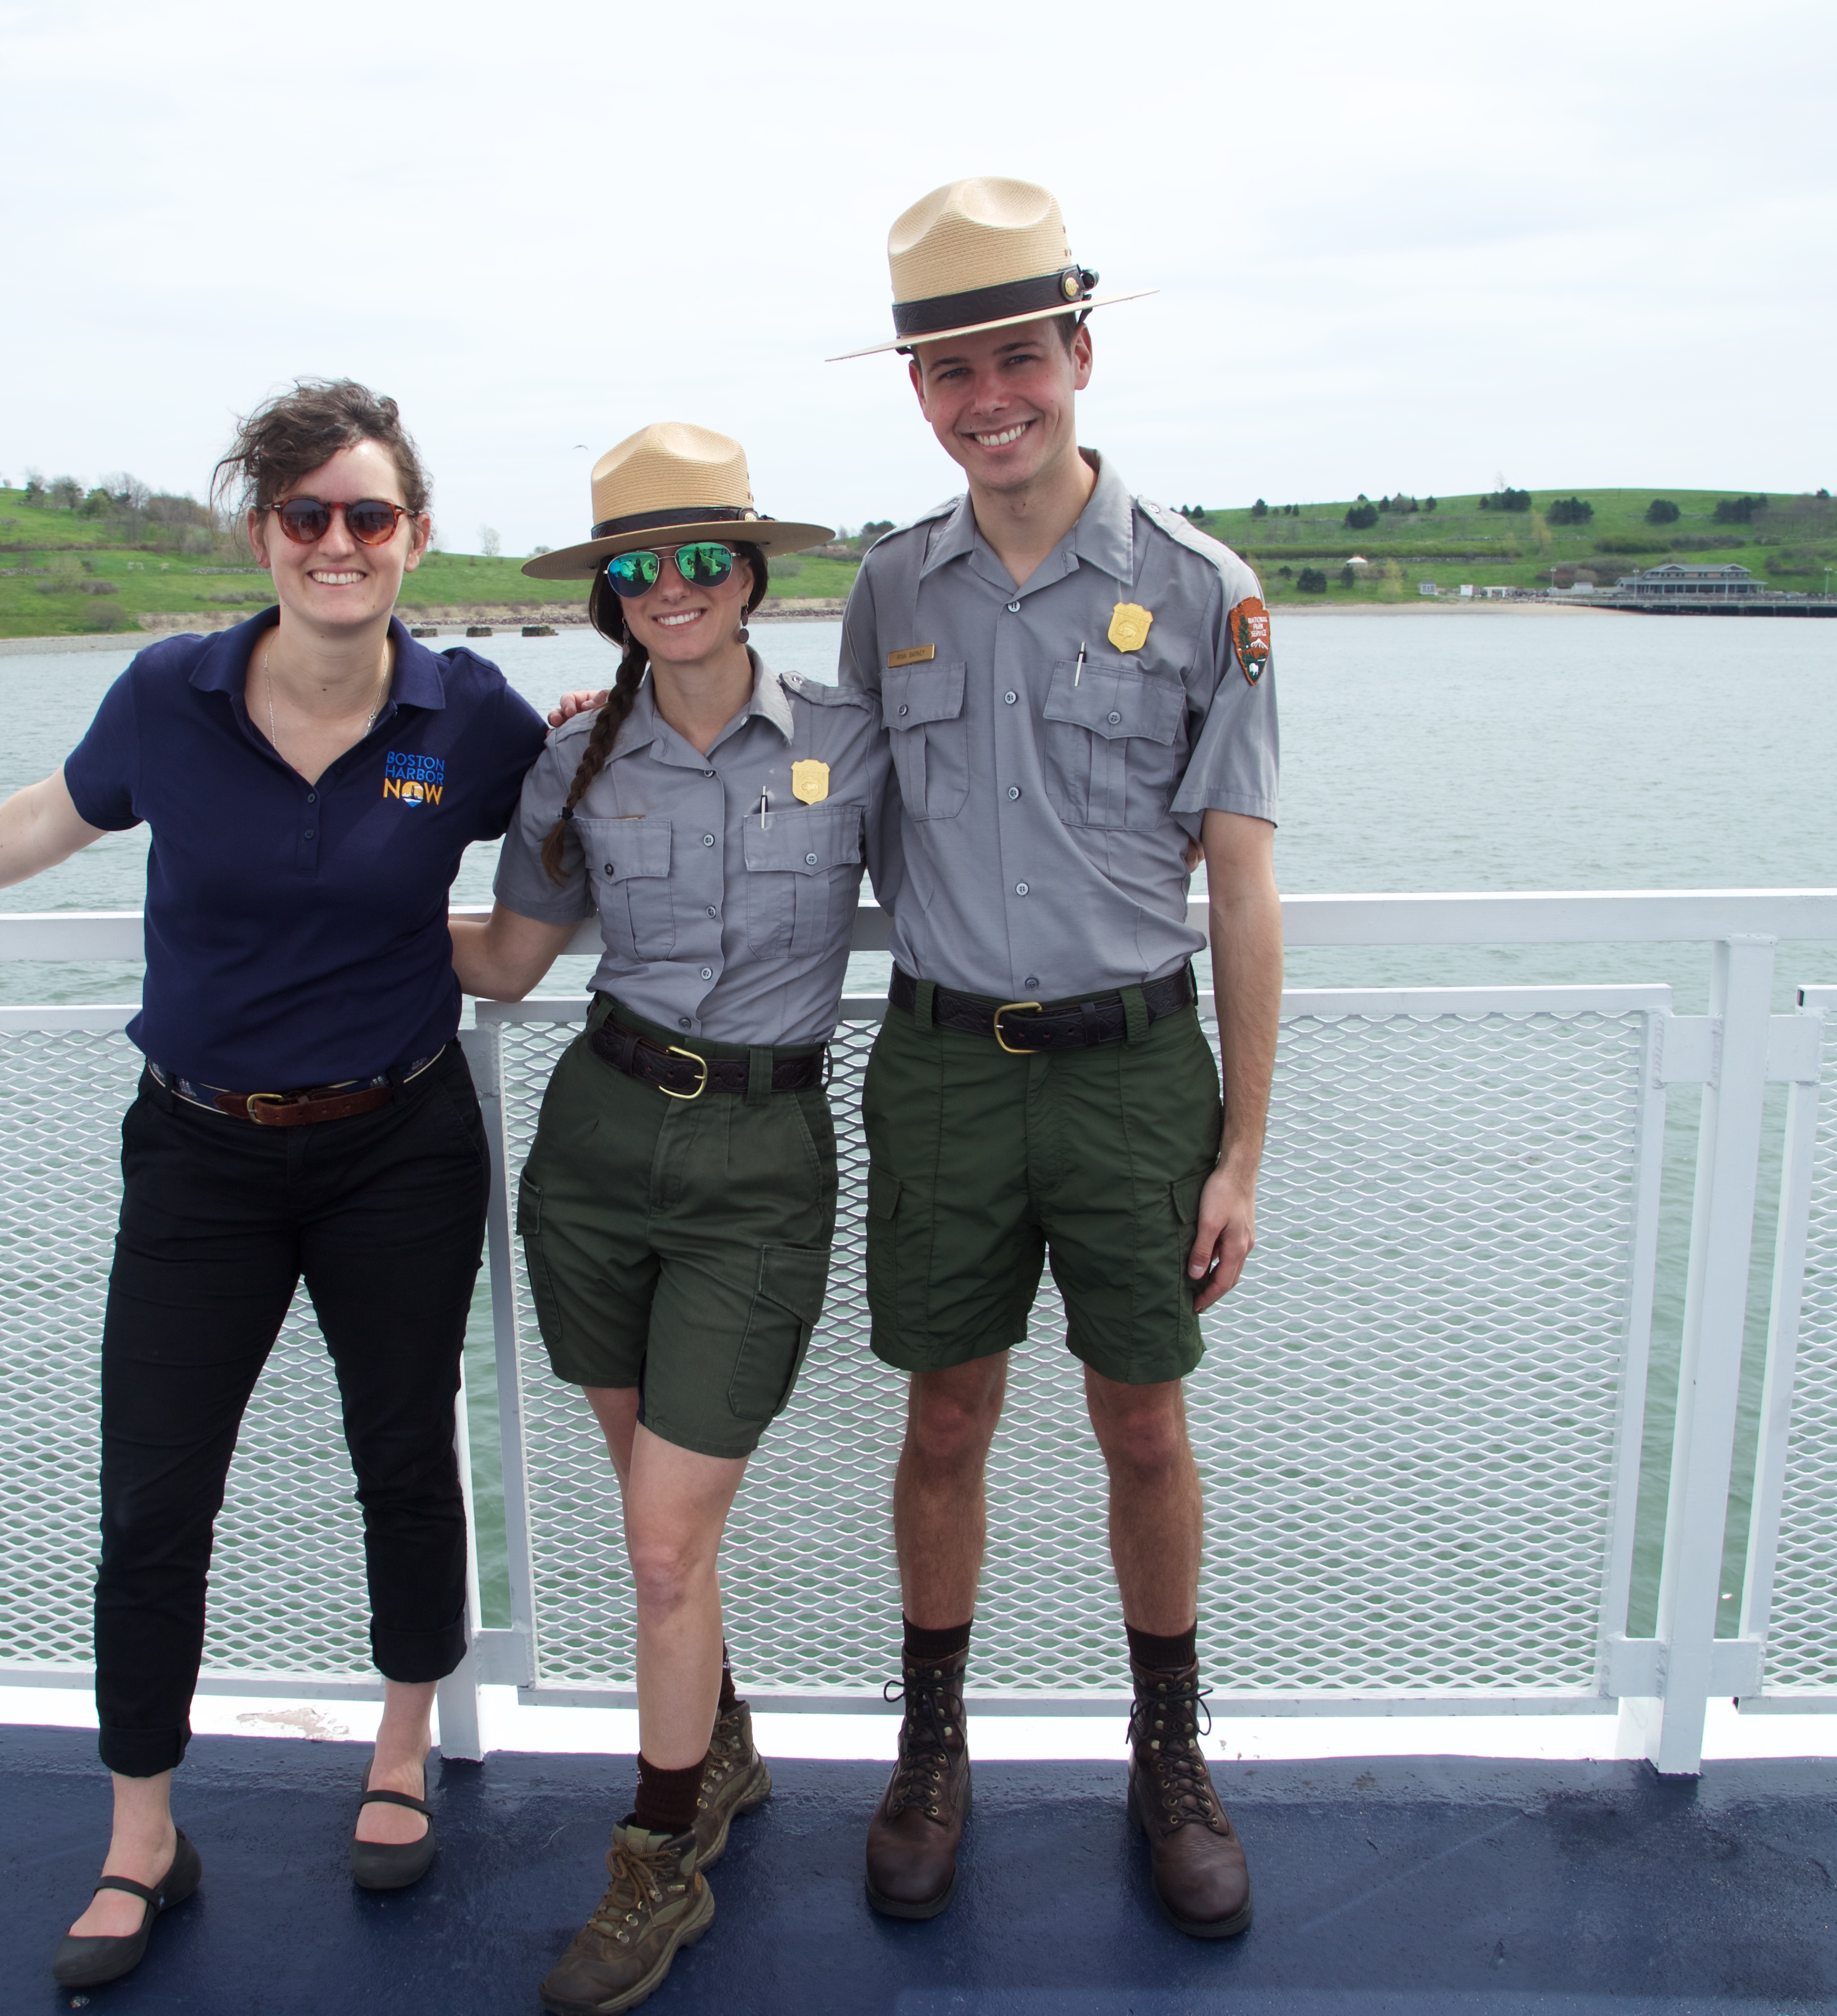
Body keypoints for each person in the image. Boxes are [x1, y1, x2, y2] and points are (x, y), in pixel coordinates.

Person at [0, 379, 547, 1990]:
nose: (339, 544)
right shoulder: (173, 693)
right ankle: (142, 1831)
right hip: (202, 1152)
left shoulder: (472, 715)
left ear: (416, 538)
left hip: (398, 1141)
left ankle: (399, 1745)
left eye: (370, 516)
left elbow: (583, 819)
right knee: (157, 1494)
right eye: (307, 517)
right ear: (264, 536)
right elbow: (61, 811)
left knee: (403, 1455)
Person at [829, 177, 1283, 1939]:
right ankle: (931, 1745)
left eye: (1018, 356)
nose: (987, 399)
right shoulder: (888, 591)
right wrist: (616, 731)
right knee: (945, 1419)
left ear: (1079, 356)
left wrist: (1242, 1151)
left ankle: (1168, 1753)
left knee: (1144, 1423)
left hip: (1131, 1073)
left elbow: (1240, 891)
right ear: (921, 395)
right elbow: (824, 804)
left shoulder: (1204, 593)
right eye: (949, 372)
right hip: (943, 1068)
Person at [449, 423, 878, 2016]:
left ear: (754, 574)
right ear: (610, 595)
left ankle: (656, 1857)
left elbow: (979, 877)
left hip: (764, 1166)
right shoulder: (572, 762)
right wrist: (291, 930)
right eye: (641, 566)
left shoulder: (855, 736)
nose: (674, 587)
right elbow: (505, 965)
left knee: (654, 1542)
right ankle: (726, 1751)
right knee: (659, 1530)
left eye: (705, 558)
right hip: (597, 1148)